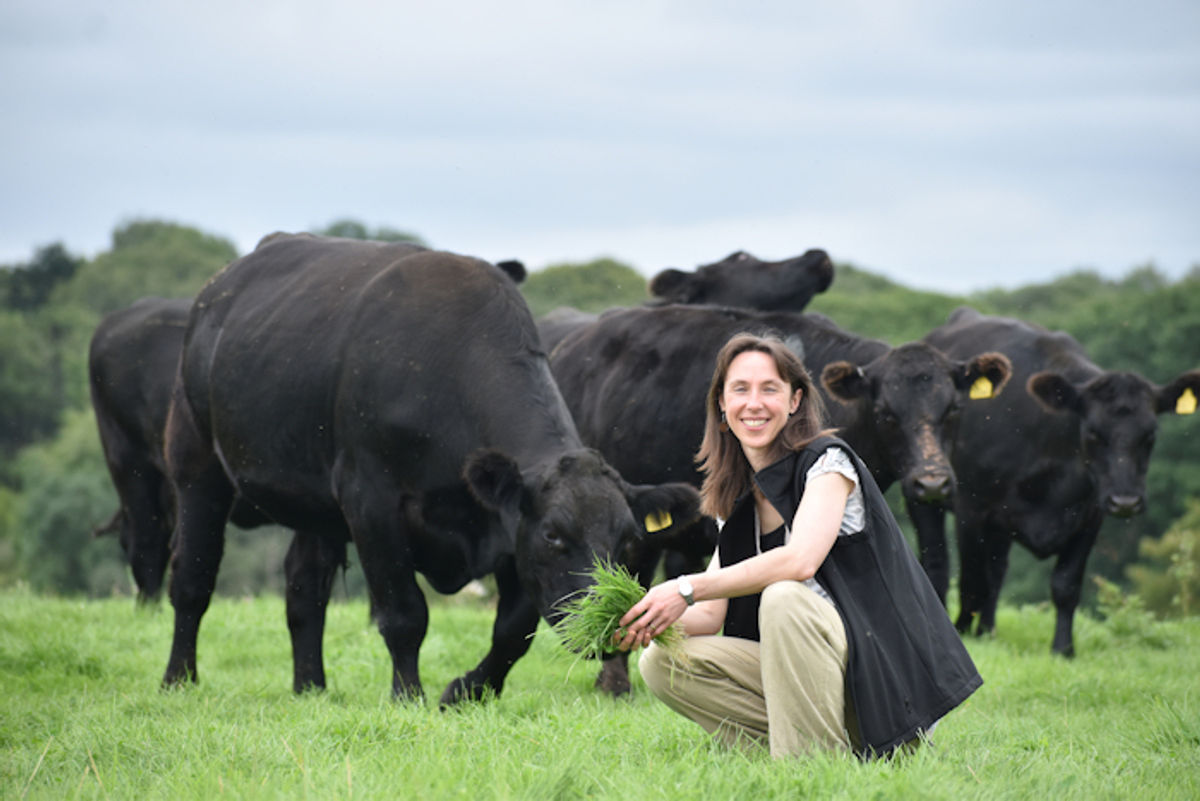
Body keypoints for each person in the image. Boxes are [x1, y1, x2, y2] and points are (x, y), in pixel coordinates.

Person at [616, 332, 981, 759]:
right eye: (740, 389)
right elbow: (710, 614)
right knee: (661, 662)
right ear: (721, 403)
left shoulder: (828, 464)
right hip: (816, 688)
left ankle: (805, 769)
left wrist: (683, 586)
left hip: (882, 684)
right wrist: (639, 618)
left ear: (794, 401)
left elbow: (801, 559)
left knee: (784, 597)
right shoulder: (735, 496)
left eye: (769, 389)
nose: (754, 403)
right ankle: (824, 753)